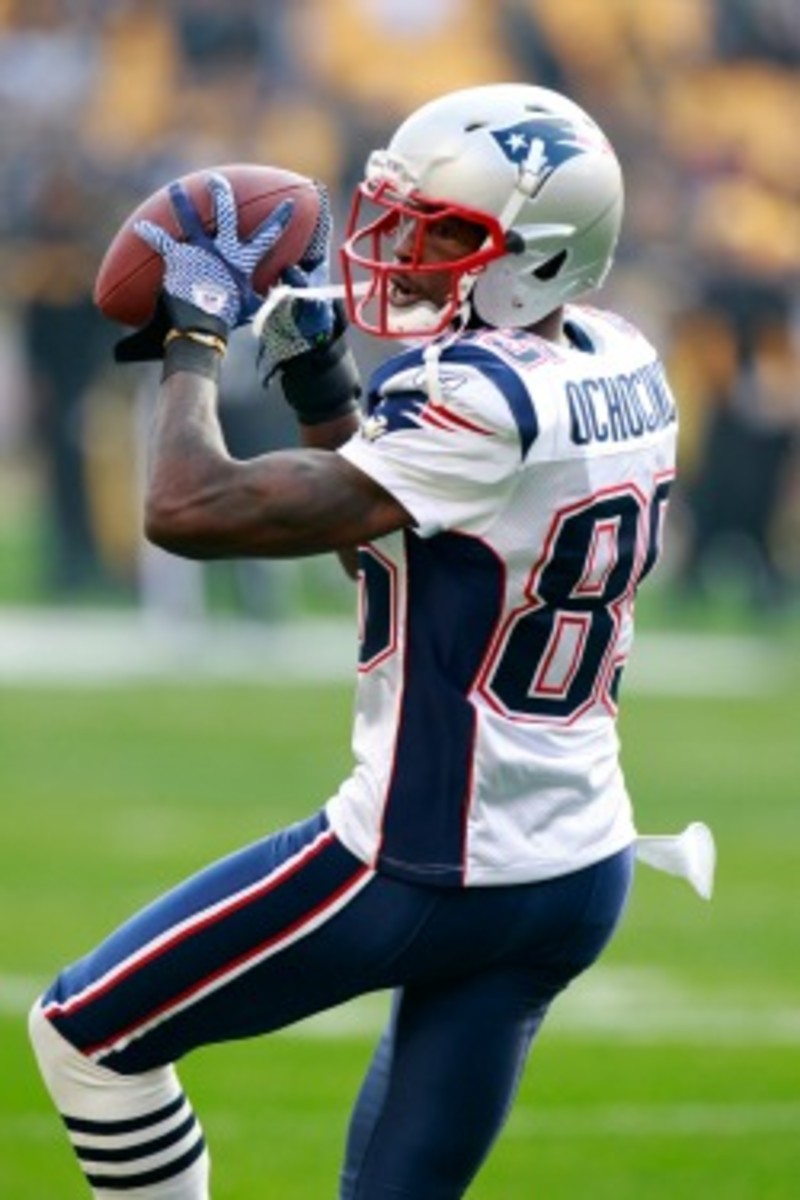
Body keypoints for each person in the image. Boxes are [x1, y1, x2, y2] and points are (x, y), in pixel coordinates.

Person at [29, 84, 680, 1199]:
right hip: (575, 868)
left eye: (442, 236)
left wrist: (193, 338)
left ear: (536, 257)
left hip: (430, 860)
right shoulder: (622, 358)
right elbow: (397, 545)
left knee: (86, 1035)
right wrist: (322, 384)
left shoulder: (477, 394)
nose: (404, 254)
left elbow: (186, 509)